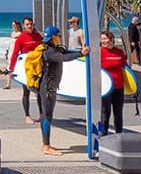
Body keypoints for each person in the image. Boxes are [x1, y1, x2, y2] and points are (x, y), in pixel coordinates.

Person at [38, 25, 90, 156]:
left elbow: (67, 52)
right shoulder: (49, 52)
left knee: (46, 115)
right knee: (47, 116)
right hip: (47, 88)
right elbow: (64, 58)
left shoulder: (56, 49)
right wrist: (81, 53)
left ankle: (45, 144)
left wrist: (81, 51)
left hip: (49, 87)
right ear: (52, 38)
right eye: (58, 36)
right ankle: (46, 146)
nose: (60, 38)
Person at [7, 17, 43, 124]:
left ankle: (42, 114)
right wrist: (11, 69)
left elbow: (43, 49)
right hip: (26, 68)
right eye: (27, 24)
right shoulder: (21, 38)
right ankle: (27, 115)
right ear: (24, 26)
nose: (29, 26)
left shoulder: (37, 36)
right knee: (26, 92)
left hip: (37, 67)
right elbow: (15, 54)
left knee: (40, 92)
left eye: (31, 24)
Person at [100, 30, 127, 135]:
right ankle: (103, 137)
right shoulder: (100, 52)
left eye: (104, 39)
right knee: (105, 113)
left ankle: (119, 135)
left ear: (111, 39)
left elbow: (126, 68)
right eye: (101, 39)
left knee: (118, 113)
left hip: (119, 88)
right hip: (106, 88)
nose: (102, 41)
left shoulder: (119, 52)